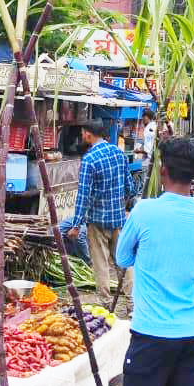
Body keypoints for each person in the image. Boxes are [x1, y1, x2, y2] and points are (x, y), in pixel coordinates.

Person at [115, 139, 194, 386]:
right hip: (191, 331)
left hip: (151, 332)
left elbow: (122, 257)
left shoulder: (144, 211)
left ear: (163, 170)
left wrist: (147, 252)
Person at [66, 120, 137, 306]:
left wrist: (76, 225)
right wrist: (121, 205)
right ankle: (132, 304)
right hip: (119, 219)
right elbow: (130, 187)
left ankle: (105, 304)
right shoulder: (118, 153)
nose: (82, 136)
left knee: (101, 264)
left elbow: (83, 196)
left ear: (88, 134)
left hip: (97, 221)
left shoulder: (89, 159)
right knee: (124, 262)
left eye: (82, 133)